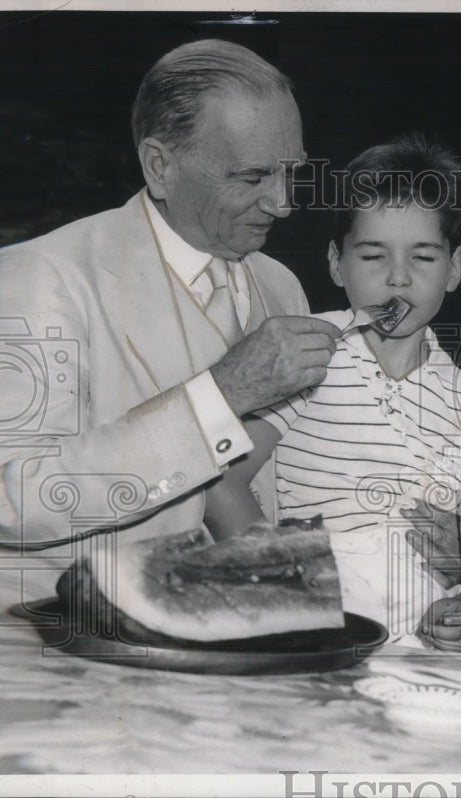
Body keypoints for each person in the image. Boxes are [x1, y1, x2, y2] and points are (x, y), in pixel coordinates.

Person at [0, 40, 339, 595]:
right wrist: (220, 396)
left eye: (291, 172)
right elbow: (13, 500)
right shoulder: (42, 276)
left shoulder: (282, 285)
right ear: (160, 165)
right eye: (253, 177)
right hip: (75, 651)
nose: (283, 203)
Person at [202, 134, 461, 649]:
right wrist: (289, 597)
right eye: (373, 256)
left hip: (419, 648)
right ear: (337, 263)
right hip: (310, 623)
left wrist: (455, 602)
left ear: (455, 268)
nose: (398, 280)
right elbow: (220, 483)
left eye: (423, 258)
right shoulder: (308, 355)